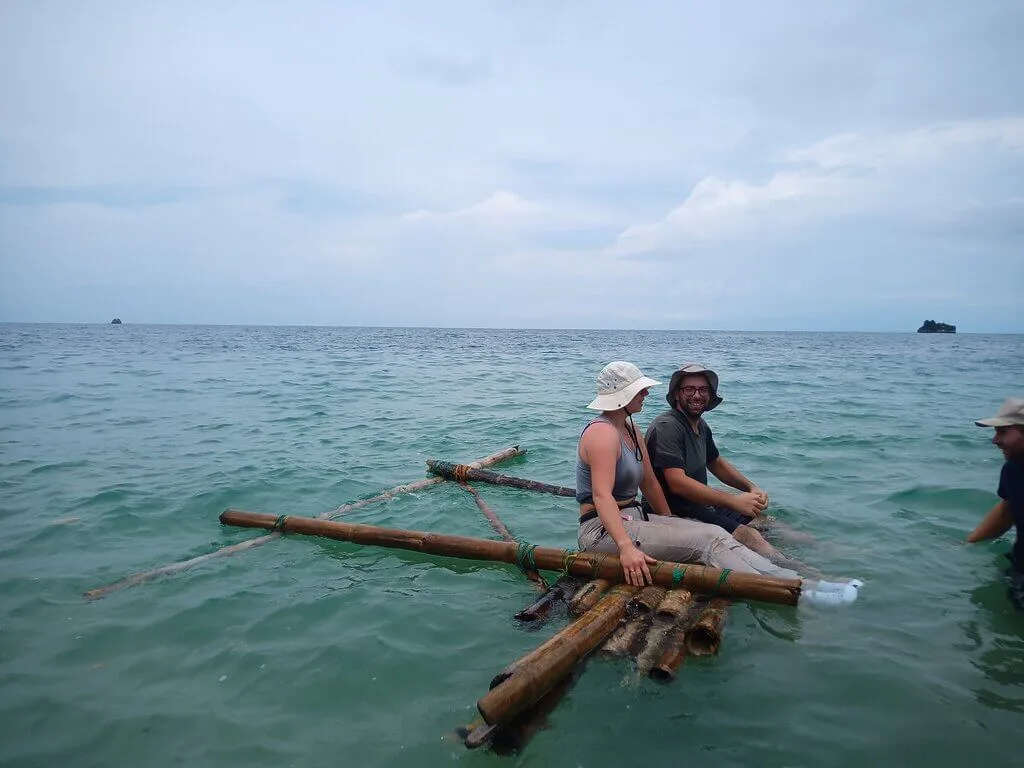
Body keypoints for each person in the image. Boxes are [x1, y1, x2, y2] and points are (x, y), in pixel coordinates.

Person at [576, 361, 815, 589]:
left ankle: (791, 579)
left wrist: (671, 523)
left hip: (634, 517)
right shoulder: (602, 434)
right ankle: (780, 588)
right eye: (640, 390)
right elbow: (602, 496)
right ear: (622, 395)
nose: (646, 394)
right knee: (707, 541)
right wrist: (626, 548)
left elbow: (649, 483)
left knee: (717, 532)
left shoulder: (630, 428)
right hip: (601, 531)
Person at [642, 362, 794, 565]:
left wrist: (751, 487)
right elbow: (676, 482)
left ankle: (827, 551)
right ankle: (802, 576)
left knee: (767, 522)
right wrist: (732, 501)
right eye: (689, 389)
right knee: (749, 536)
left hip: (699, 504)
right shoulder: (667, 426)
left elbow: (715, 462)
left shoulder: (700, 425)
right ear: (677, 394)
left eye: (703, 389)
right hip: (674, 511)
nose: (697, 395)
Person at [966, 397, 1024, 609]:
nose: (995, 440)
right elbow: (1007, 510)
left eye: (1003, 432)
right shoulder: (1013, 469)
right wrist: (968, 543)